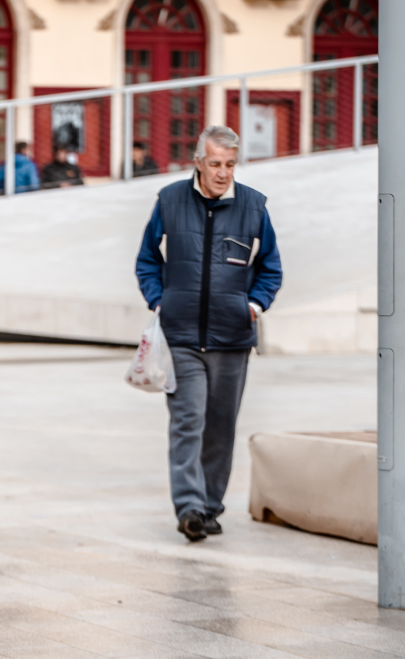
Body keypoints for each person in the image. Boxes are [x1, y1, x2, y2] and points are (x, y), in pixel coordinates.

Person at [135, 126, 283, 542]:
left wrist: (253, 306)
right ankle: (189, 508)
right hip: (180, 336)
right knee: (188, 421)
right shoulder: (169, 200)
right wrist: (159, 301)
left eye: (230, 165)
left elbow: (271, 268)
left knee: (220, 426)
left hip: (232, 338)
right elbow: (147, 259)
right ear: (198, 161)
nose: (223, 173)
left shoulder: (254, 206)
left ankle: (210, 506)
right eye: (215, 163)